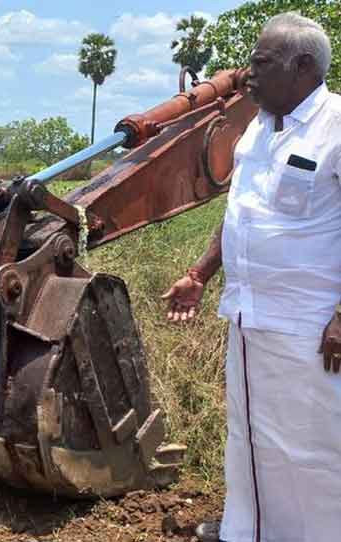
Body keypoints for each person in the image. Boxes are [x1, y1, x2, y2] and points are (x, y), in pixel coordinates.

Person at [162, 13, 341, 542]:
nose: (247, 75)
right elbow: (242, 212)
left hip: (311, 328)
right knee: (251, 438)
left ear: (303, 66)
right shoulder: (256, 130)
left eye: (261, 63)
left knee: (315, 445)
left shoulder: (336, 128)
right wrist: (201, 272)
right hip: (248, 317)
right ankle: (251, 530)